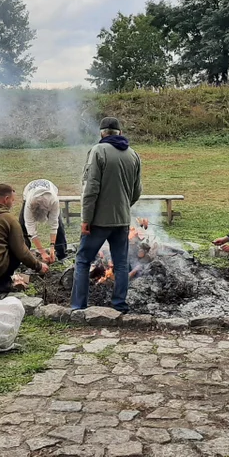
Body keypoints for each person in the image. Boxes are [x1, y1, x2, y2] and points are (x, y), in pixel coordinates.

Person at [71, 117, 142, 313]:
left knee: (83, 260)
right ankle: (119, 305)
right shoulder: (133, 155)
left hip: (99, 221)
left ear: (102, 133)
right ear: (119, 132)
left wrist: (86, 218)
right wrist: (123, 208)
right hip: (122, 220)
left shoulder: (98, 151)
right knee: (121, 264)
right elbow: (137, 191)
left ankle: (79, 307)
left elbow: (91, 188)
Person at [19, 179, 67, 264]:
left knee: (59, 225)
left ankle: (61, 254)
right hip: (29, 192)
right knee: (21, 227)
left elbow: (54, 225)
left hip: (50, 190)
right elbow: (31, 229)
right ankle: (23, 256)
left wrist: (52, 248)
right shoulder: (29, 204)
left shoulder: (54, 201)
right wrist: (42, 252)